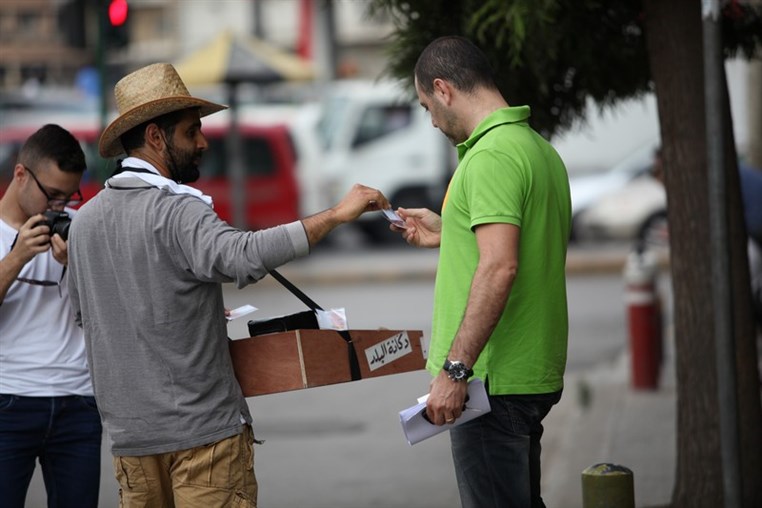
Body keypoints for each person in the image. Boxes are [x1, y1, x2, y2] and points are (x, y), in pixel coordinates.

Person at [65, 62, 389, 508]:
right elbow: (244, 256)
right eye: (191, 131)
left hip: (132, 443)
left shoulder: (84, 224)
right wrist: (334, 215)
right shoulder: (179, 211)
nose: (202, 143)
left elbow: (89, 317)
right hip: (203, 439)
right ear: (156, 137)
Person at [392, 36, 571, 508]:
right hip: (528, 371)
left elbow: (500, 266)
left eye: (427, 105)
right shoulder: (536, 148)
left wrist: (455, 370)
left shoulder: (490, 156)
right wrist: (449, 229)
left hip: (492, 381)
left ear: (443, 88)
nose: (430, 120)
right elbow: (513, 245)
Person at [0, 124, 102, 508]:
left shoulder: (81, 228)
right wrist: (16, 257)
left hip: (78, 402)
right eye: (53, 196)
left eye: (68, 197)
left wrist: (79, 266)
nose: (59, 208)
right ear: (21, 174)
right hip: (9, 399)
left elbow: (110, 307)